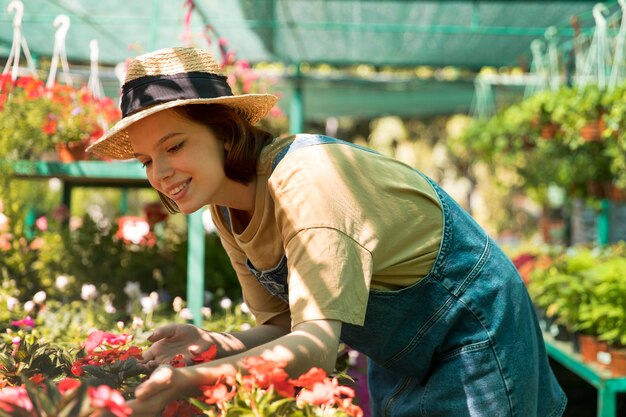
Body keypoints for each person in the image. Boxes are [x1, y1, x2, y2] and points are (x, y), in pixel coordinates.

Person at [87, 47, 567, 417]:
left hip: (472, 328)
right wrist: (212, 342)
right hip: (400, 345)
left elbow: (316, 345)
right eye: (148, 160)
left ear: (225, 132)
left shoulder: (307, 180)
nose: (161, 171)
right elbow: (284, 327)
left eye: (174, 145)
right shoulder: (228, 210)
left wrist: (194, 381)